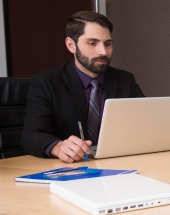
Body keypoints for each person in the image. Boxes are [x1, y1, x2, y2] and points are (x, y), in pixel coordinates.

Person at [21, 11, 144, 162]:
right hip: (72, 168)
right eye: (92, 43)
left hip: (119, 163)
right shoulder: (46, 82)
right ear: (71, 45)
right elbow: (31, 135)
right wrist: (57, 147)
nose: (103, 52)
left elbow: (148, 122)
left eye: (108, 44)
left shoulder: (125, 80)